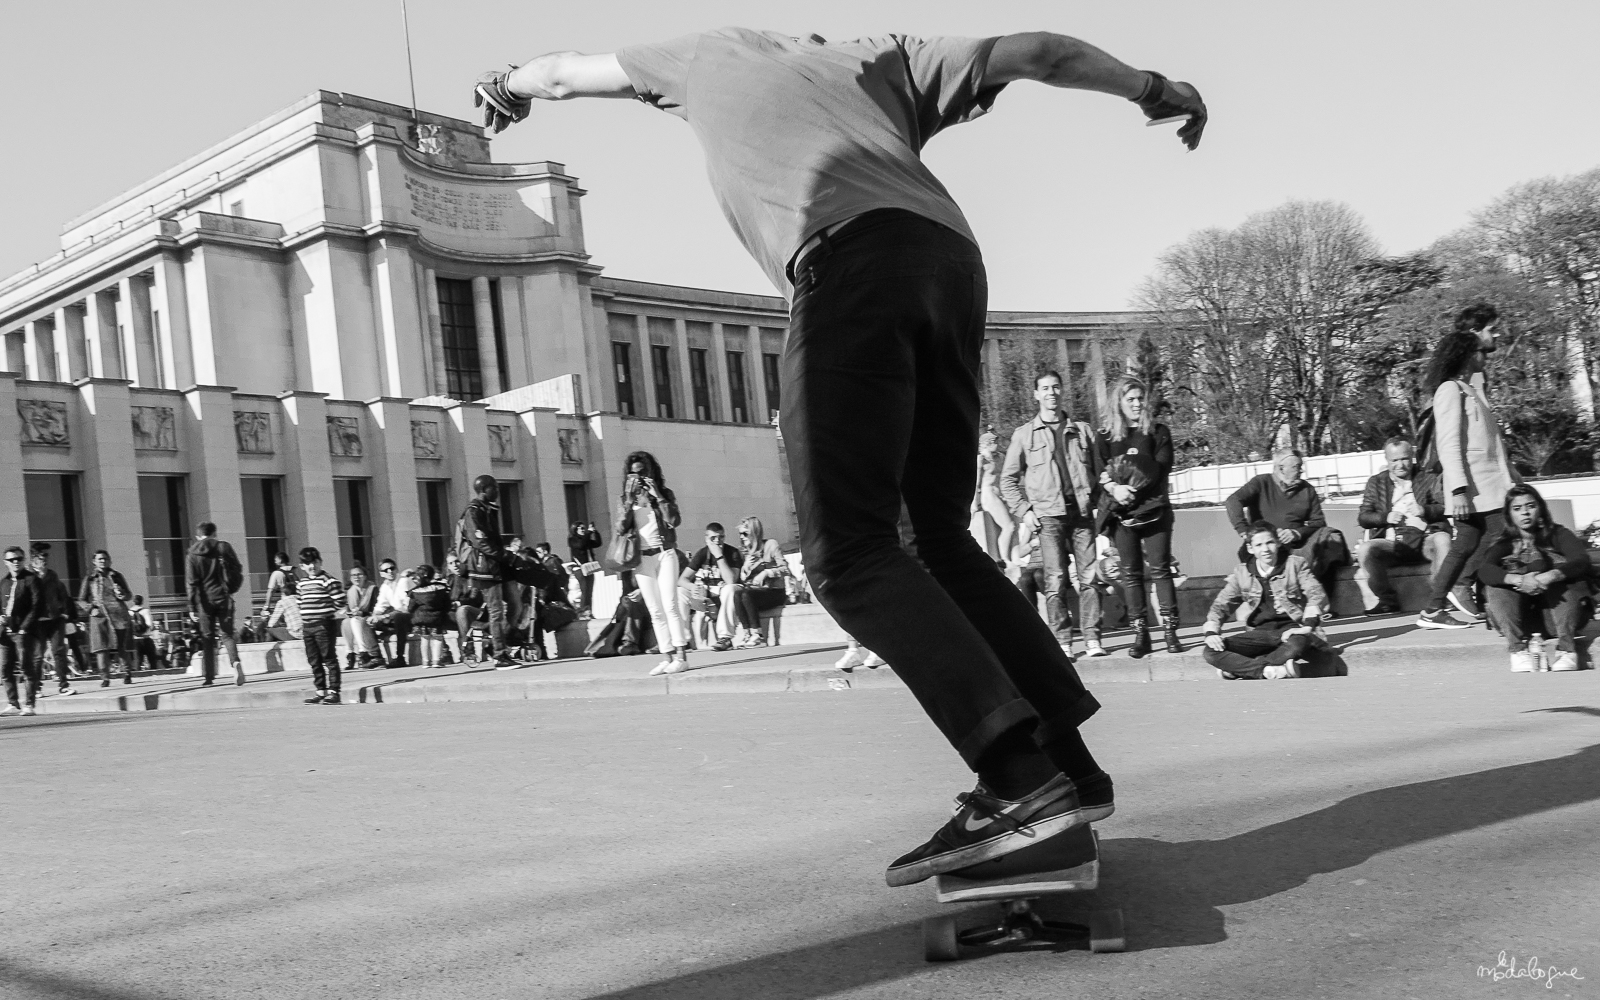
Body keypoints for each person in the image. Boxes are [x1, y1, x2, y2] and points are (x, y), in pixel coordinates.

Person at [473, 29, 1205, 884]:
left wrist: (507, 84)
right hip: (950, 266)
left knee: (848, 553)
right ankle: (1068, 770)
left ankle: (1018, 781)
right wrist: (1153, 87)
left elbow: (562, 74)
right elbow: (1039, 52)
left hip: (848, 269)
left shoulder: (706, 58)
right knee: (937, 541)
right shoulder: (888, 56)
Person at [1416, 303, 1521, 630]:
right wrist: (1458, 490)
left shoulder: (1470, 389)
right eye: (1480, 349)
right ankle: (1493, 601)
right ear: (1466, 351)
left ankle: (1433, 609)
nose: (1485, 354)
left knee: (1465, 545)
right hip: (1475, 488)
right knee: (1504, 535)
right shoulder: (1450, 390)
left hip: (1488, 486)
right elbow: (1449, 443)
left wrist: (1513, 477)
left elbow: (1490, 444)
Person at [1000, 371, 1107, 657]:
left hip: (1081, 513)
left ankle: (1092, 638)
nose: (1052, 393)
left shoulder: (1082, 431)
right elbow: (1007, 480)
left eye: (1056, 387)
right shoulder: (1025, 435)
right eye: (1045, 388)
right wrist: (1024, 511)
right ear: (1036, 394)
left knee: (1089, 577)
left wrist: (1101, 504)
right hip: (1047, 516)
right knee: (1055, 580)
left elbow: (1099, 472)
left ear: (1062, 391)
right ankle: (1063, 640)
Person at [1096, 375, 1180, 657]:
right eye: (1129, 399)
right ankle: (1141, 634)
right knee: (1131, 574)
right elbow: (1098, 471)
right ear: (1118, 402)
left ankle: (1170, 631)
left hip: (1155, 510)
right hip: (1121, 514)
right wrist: (1115, 489)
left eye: (1140, 398)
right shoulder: (1105, 436)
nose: (1136, 404)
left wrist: (1129, 484)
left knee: (1160, 570)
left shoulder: (1158, 432)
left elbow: (1160, 467)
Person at [1478, 485, 1591, 672]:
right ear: (1509, 515)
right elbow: (1484, 570)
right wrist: (1518, 580)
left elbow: (1581, 560)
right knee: (1495, 585)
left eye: (1530, 506)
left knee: (1565, 577)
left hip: (1561, 619)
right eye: (1517, 508)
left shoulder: (1559, 534)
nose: (1525, 512)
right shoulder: (1504, 543)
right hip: (1521, 622)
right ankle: (1517, 651)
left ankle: (1567, 651)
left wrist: (1551, 576)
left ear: (1540, 508)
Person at [1202, 521, 1330, 680]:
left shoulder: (1295, 565)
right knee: (1210, 651)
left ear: (1278, 543)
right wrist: (1211, 633)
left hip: (1292, 630)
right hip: (1259, 634)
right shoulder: (1242, 573)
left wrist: (1307, 626)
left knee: (1297, 644)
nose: (1265, 549)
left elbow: (1316, 593)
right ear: (1250, 548)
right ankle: (1269, 671)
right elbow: (1220, 606)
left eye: (1270, 542)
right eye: (1259, 545)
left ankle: (1240, 670)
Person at [1224, 450, 1348, 596]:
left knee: (1331, 537)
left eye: (1301, 466)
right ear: (1281, 468)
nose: (1301, 470)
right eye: (1297, 467)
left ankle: (1323, 598)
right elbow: (1233, 501)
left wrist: (1296, 533)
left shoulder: (1307, 489)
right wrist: (1244, 531)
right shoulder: (1261, 482)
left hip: (1298, 547)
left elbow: (1319, 522)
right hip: (1267, 547)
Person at [614, 451, 692, 675]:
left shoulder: (664, 494)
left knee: (670, 604)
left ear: (651, 471)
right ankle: (667, 657)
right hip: (642, 558)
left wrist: (657, 495)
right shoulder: (625, 499)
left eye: (643, 472)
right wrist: (629, 502)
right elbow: (620, 528)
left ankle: (681, 656)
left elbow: (674, 521)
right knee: (655, 610)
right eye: (634, 473)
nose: (639, 477)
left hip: (665, 553)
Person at [1354, 438, 1450, 615]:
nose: (1400, 465)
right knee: (1366, 549)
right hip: (1392, 542)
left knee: (1443, 539)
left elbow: (1445, 507)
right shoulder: (1376, 482)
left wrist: (1425, 510)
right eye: (1394, 460)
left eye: (1405, 459)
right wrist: (1385, 517)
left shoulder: (1428, 478)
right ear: (1386, 460)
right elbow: (1364, 517)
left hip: (1425, 538)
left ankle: (1439, 597)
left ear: (1412, 457)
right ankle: (1387, 601)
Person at [456, 474, 516, 667]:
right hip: (484, 569)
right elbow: (481, 542)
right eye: (494, 487)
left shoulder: (488, 509)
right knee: (496, 611)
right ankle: (499, 655)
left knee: (515, 606)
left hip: (496, 566)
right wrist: (507, 556)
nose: (497, 491)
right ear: (483, 489)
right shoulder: (474, 511)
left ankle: (498, 643)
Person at [186, 522, 246, 687]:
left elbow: (191, 582)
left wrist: (192, 606)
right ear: (214, 533)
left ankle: (209, 677)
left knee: (207, 638)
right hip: (224, 597)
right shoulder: (223, 547)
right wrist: (231, 588)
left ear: (198, 536)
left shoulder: (192, 554)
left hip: (204, 601)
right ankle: (235, 662)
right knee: (227, 634)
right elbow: (237, 568)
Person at [679, 522, 743, 652]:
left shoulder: (732, 552)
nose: (717, 541)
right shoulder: (702, 553)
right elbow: (682, 579)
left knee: (729, 589)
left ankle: (725, 637)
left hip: (727, 597)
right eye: (713, 538)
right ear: (706, 539)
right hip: (707, 597)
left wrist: (719, 556)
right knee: (680, 592)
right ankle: (683, 640)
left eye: (721, 537)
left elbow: (731, 580)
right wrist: (692, 587)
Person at [730, 516, 790, 649]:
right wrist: (745, 568)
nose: (742, 537)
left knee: (746, 595)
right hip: (757, 593)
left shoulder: (771, 545)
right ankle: (747, 634)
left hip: (775, 592)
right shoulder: (747, 552)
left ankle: (758, 635)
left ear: (754, 532)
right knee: (738, 594)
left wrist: (767, 572)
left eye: (745, 533)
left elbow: (785, 569)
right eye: (740, 534)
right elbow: (744, 580)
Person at [27, 543, 78, 696]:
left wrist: (65, 612)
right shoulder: (27, 576)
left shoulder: (52, 575)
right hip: (37, 622)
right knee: (38, 655)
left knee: (59, 651)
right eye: (42, 556)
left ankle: (63, 685)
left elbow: (62, 594)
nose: (45, 559)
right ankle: (36, 688)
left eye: (46, 556)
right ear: (34, 558)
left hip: (55, 619)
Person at [1, 546, 46, 715]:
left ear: (23, 560)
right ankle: (13, 703)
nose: (15, 562)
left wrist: (24, 628)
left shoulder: (32, 580)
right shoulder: (4, 582)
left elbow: (37, 606)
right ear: (5, 562)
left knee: (26, 668)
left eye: (19, 559)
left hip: (23, 632)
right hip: (6, 632)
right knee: (5, 669)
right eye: (11, 560)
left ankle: (29, 704)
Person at [79, 550, 135, 687]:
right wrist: (91, 609)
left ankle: (127, 673)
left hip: (118, 614)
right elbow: (81, 599)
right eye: (100, 559)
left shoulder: (117, 576)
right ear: (94, 562)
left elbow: (129, 595)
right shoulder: (90, 578)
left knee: (121, 646)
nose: (103, 561)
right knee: (101, 648)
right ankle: (105, 677)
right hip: (99, 616)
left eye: (105, 558)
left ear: (110, 561)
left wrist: (122, 594)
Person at [294, 547, 342, 703]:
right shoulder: (301, 583)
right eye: (308, 563)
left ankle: (334, 691)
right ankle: (321, 690)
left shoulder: (327, 580)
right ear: (302, 566)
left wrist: (326, 611)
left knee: (329, 658)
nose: (312, 566)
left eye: (314, 562)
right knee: (313, 660)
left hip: (324, 624)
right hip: (308, 626)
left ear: (320, 562)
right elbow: (299, 602)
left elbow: (340, 600)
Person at [973, 429, 1016, 565]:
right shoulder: (981, 459)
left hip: (1000, 494)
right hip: (989, 495)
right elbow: (975, 483)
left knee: (1012, 526)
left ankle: (1011, 557)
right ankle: (1005, 559)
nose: (997, 444)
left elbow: (1005, 477)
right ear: (987, 444)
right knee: (1008, 526)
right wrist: (974, 503)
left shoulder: (1000, 457)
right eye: (994, 442)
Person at [406, 565, 453, 667]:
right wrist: (444, 612)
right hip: (437, 618)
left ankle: (425, 661)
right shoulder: (441, 588)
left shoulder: (415, 592)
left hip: (421, 619)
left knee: (424, 639)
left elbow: (410, 608)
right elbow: (447, 604)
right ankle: (436, 661)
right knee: (438, 638)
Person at [370, 558, 414, 667]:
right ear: (381, 574)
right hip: (397, 616)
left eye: (392, 568)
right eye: (386, 570)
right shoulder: (385, 586)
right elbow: (380, 604)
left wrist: (386, 616)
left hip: (411, 615)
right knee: (368, 621)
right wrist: (375, 616)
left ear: (396, 569)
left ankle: (400, 657)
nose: (390, 571)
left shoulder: (404, 581)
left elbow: (406, 607)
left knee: (399, 618)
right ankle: (376, 656)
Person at [341, 565, 381, 669]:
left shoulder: (372, 589)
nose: (356, 577)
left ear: (365, 576)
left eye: (359, 574)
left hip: (370, 618)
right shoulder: (350, 591)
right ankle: (350, 653)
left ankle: (363, 653)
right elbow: (348, 608)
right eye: (353, 575)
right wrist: (349, 612)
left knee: (355, 620)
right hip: (358, 618)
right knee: (346, 622)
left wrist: (361, 613)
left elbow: (376, 608)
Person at [567, 521, 604, 619]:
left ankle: (588, 611)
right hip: (580, 569)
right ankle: (582, 613)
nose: (584, 530)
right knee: (584, 590)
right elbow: (580, 545)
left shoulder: (586, 539)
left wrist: (595, 532)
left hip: (588, 568)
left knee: (589, 592)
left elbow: (598, 543)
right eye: (581, 528)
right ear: (575, 529)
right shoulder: (572, 539)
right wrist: (588, 533)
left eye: (584, 528)